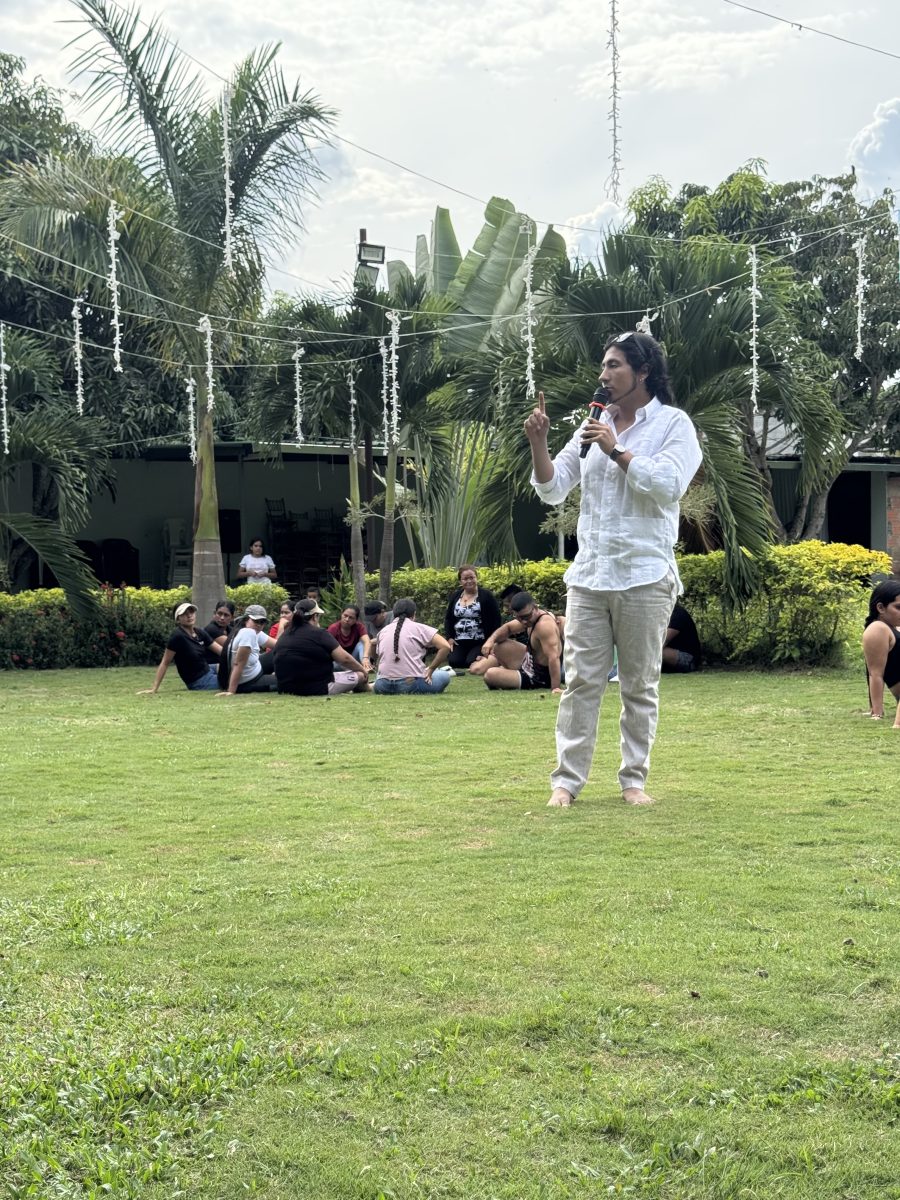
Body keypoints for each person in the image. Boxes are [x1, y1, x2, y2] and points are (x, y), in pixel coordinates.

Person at [526, 329, 702, 808]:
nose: (603, 375)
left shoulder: (673, 424)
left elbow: (668, 485)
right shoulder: (594, 421)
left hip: (645, 574)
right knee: (581, 682)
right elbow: (553, 488)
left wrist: (616, 450)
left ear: (643, 372)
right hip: (589, 576)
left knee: (639, 685)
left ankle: (633, 781)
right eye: (603, 365)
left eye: (614, 365)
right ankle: (566, 782)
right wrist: (539, 444)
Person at [275, 600, 369, 696]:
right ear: (315, 616)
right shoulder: (320, 633)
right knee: (361, 675)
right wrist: (363, 670)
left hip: (285, 689)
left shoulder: (284, 635)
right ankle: (369, 688)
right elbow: (345, 659)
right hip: (318, 687)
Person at [480, 592, 564, 693]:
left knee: (490, 675)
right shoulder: (531, 618)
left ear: (535, 608)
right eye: (519, 618)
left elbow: (553, 657)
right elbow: (508, 628)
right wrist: (490, 641)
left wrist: (555, 687)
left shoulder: (544, 626)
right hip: (530, 663)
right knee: (499, 647)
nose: (524, 622)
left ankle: (514, 677)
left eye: (526, 617)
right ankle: (512, 675)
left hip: (539, 676)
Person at [373, 598, 454, 694]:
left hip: (382, 685)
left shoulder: (383, 631)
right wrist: (431, 669)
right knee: (444, 675)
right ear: (414, 614)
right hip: (409, 684)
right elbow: (445, 646)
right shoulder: (419, 628)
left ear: (394, 614)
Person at [139, 601, 220, 693]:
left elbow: (221, 651)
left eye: (191, 612)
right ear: (178, 619)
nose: (189, 616)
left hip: (208, 669)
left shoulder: (199, 632)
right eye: (184, 614)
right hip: (199, 681)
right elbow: (165, 662)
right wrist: (154, 689)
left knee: (230, 668)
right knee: (230, 681)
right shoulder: (177, 636)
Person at [443, 565, 502, 670]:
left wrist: (492, 640)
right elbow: (448, 619)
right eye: (465, 579)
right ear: (460, 581)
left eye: (472, 577)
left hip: (480, 640)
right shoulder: (456, 596)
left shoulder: (486, 596)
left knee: (470, 662)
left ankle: (490, 658)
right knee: (454, 662)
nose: (469, 581)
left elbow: (496, 619)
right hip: (459, 641)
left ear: (476, 578)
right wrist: (450, 638)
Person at [862, 580, 900, 725]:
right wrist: (876, 712)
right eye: (898, 607)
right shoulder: (878, 628)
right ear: (881, 608)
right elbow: (875, 673)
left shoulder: (892, 627)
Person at [217, 604, 278, 695]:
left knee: (280, 651)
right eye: (256, 621)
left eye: (262, 622)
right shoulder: (248, 633)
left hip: (255, 668)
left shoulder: (250, 630)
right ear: (246, 619)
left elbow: (279, 645)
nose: (259, 625)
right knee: (290, 681)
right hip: (248, 681)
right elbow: (238, 664)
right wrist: (231, 691)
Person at [327, 605, 372, 673]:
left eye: (351, 617)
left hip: (353, 660)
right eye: (345, 616)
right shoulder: (333, 628)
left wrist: (365, 658)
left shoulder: (359, 626)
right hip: (339, 661)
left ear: (356, 620)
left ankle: (366, 667)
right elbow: (327, 647)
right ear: (341, 614)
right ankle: (355, 670)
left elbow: (367, 641)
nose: (347, 619)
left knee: (361, 645)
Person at [663, 603, 702, 673]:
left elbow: (662, 642)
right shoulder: (661, 615)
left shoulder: (677, 614)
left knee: (653, 651)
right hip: (671, 654)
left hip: (688, 659)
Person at [203, 599, 235, 664]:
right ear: (215, 613)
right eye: (219, 614)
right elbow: (234, 646)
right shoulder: (211, 629)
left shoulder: (229, 629)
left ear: (232, 617)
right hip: (211, 666)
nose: (222, 618)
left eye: (226, 615)